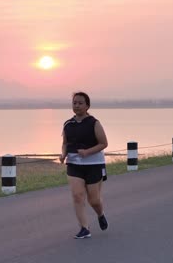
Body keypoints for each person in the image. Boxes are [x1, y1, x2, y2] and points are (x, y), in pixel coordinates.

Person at [59, 91, 109, 239]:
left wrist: (87, 152)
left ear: (87, 106)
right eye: (74, 103)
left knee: (94, 200)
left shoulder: (94, 123)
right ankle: (84, 228)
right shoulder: (68, 124)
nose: (77, 105)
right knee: (77, 196)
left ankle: (100, 214)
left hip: (94, 164)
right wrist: (63, 155)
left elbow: (104, 143)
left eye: (80, 103)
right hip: (74, 165)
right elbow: (65, 144)